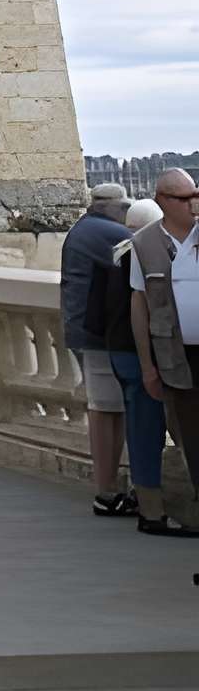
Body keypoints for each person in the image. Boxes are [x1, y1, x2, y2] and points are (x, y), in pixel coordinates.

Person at [89, 200, 183, 536]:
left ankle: (147, 502)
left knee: (143, 430)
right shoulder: (145, 254)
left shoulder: (116, 255)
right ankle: (153, 511)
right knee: (148, 433)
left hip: (120, 352)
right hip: (143, 355)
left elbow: (97, 312)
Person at [130, 169, 199, 544]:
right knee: (192, 443)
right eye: (183, 198)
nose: (193, 204)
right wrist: (147, 366)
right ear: (162, 201)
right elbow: (139, 306)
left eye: (195, 195)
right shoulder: (143, 245)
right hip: (176, 360)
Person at [61, 181, 134, 515]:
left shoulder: (83, 228)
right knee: (106, 410)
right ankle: (107, 492)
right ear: (114, 207)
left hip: (84, 331)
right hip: (100, 336)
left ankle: (109, 490)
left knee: (110, 409)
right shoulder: (107, 232)